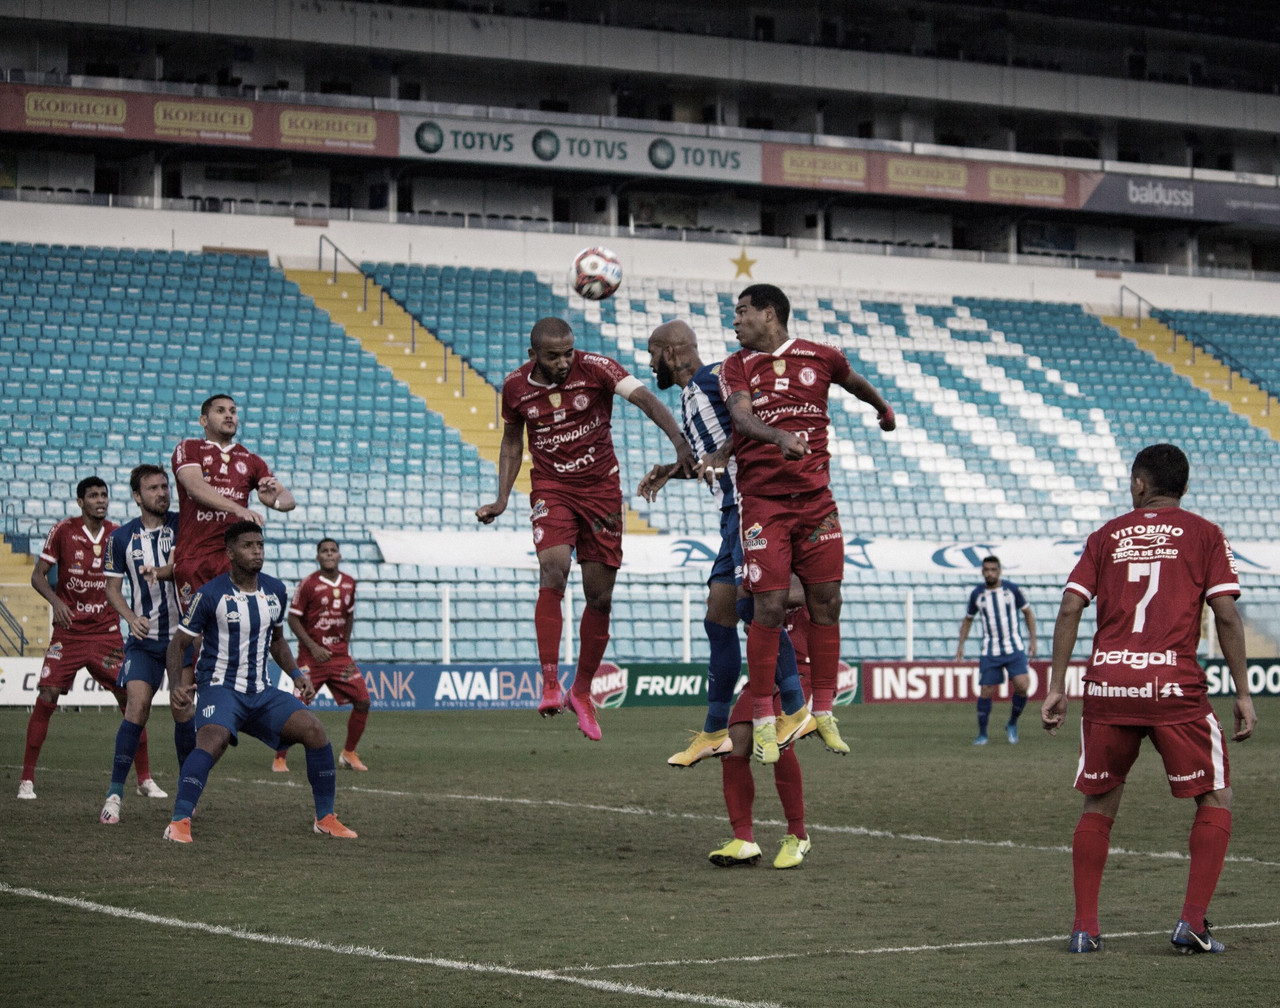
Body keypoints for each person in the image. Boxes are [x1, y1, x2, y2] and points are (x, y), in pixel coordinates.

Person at [1041, 443, 1256, 955]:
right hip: (1172, 687)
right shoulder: (1205, 533)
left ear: (1141, 484)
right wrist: (1243, 692)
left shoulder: (1107, 535)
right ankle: (1191, 924)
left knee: (1100, 800)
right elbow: (1225, 614)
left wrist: (1056, 686)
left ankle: (1084, 929)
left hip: (1109, 685)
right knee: (1215, 796)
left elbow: (1071, 606)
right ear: (1182, 486)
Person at [476, 316, 695, 741]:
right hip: (552, 489)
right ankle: (550, 682)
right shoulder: (515, 387)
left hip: (601, 491)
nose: (563, 363)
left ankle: (581, 690)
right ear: (533, 355)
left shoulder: (597, 367)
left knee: (600, 597)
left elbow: (647, 399)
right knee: (553, 569)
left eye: (568, 353)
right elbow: (511, 441)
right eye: (553, 356)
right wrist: (502, 498)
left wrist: (679, 442)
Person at [719, 283, 896, 763]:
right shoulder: (736, 364)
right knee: (769, 607)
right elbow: (740, 418)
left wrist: (881, 408)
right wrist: (778, 436)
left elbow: (853, 380)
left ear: (769, 313)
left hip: (816, 503)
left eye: (741, 312)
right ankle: (761, 719)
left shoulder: (822, 356)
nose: (734, 321)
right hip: (764, 505)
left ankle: (824, 712)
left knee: (827, 600)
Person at [639, 319, 812, 767]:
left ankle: (795, 710)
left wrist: (725, 454)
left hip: (748, 505)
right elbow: (710, 454)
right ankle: (714, 731)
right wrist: (671, 470)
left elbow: (755, 421)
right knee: (719, 618)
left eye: (653, 353)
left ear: (672, 352)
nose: (650, 361)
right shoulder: (689, 394)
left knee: (755, 608)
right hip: (729, 513)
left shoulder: (715, 376)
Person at [162, 521, 357, 843]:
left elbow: (277, 641)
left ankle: (325, 818)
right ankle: (180, 821)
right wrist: (175, 685)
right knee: (212, 741)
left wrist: (296, 674)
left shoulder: (275, 590)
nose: (256, 551)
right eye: (248, 545)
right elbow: (177, 644)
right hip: (220, 687)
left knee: (315, 731)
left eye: (260, 545)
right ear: (230, 553)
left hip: (261, 691)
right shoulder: (210, 594)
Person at [19, 476, 163, 801]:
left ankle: (145, 779)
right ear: (80, 501)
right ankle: (26, 780)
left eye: (104, 495)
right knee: (48, 692)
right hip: (68, 634)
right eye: (94, 495)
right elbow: (37, 575)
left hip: (106, 634)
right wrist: (56, 602)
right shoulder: (64, 531)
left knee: (133, 699)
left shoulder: (119, 533)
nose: (101, 500)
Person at [99, 464, 197, 824]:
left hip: (182, 640)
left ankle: (188, 795)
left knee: (182, 710)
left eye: (165, 486)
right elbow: (112, 588)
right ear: (137, 496)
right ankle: (114, 794)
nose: (162, 492)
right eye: (153, 488)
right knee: (136, 708)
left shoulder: (185, 526)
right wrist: (130, 617)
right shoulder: (120, 538)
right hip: (144, 641)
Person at [709, 590, 815, 870]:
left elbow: (796, 595)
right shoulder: (754, 567)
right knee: (735, 742)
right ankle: (743, 839)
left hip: (802, 671)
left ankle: (798, 834)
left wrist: (756, 603)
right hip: (764, 669)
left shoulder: (801, 563)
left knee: (781, 739)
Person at [170, 393, 295, 608]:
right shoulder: (189, 448)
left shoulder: (250, 459)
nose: (229, 416)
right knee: (195, 633)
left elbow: (288, 500)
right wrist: (237, 509)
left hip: (233, 561)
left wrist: (274, 501)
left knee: (234, 628)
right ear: (203, 420)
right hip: (194, 557)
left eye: (233, 411)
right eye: (220, 411)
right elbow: (194, 487)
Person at [272, 538, 371, 773]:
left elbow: (349, 615)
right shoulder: (308, 584)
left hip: (339, 657)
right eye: (324, 551)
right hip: (311, 658)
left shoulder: (349, 583)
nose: (329, 554)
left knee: (363, 700)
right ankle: (279, 758)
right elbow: (293, 618)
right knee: (295, 707)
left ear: (339, 556)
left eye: (333, 551)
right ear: (317, 557)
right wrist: (313, 647)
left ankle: (348, 754)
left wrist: (343, 644)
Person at [955, 555, 1037, 746]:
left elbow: (1027, 613)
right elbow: (968, 619)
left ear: (999, 571)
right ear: (982, 572)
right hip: (990, 650)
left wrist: (1032, 640)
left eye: (993, 569)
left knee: (1023, 686)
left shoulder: (1011, 590)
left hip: (1013, 647)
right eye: (986, 570)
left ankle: (1012, 723)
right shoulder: (977, 594)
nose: (990, 573)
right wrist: (961, 644)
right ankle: (982, 733)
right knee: (985, 690)